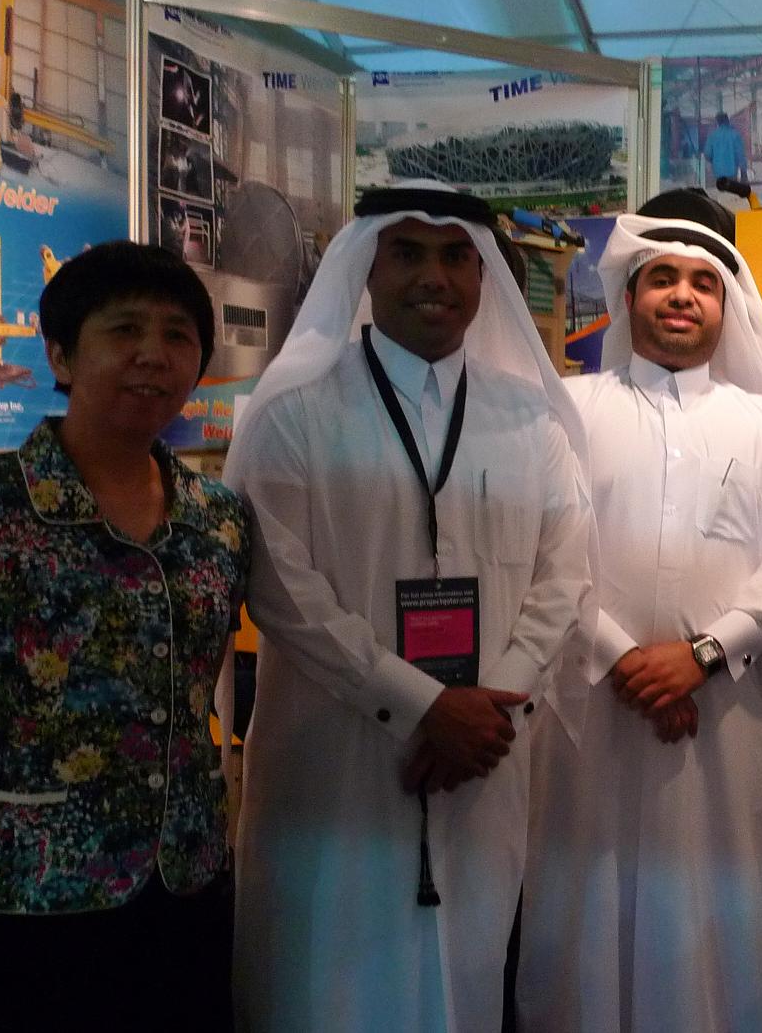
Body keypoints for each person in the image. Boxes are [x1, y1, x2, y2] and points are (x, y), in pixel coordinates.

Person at [224, 180, 594, 1031]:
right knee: (327, 985)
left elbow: (564, 574)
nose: (435, 276)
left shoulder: (530, 418)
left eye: (457, 256)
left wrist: (488, 711)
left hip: (481, 763)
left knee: (466, 978)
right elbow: (280, 588)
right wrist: (425, 707)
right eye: (408, 254)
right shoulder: (294, 411)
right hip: (337, 765)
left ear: (483, 275)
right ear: (367, 266)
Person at [0, 242, 245, 1032]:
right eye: (125, 330)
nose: (154, 355)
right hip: (11, 912)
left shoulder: (216, 519)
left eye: (178, 335)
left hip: (183, 893)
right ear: (60, 355)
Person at [519, 189, 762, 1032]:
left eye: (702, 282)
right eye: (662, 279)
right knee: (581, 915)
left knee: (716, 931)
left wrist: (700, 656)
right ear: (629, 297)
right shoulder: (570, 413)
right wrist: (624, 659)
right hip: (589, 714)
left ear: (727, 305)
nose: (682, 296)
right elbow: (544, 558)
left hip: (729, 720)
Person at [705, 111, 748, 184]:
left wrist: (714, 161)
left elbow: (707, 154)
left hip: (717, 172)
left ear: (717, 122)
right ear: (728, 121)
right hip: (732, 172)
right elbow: (740, 155)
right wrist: (743, 173)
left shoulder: (712, 136)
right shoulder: (735, 135)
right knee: (731, 190)